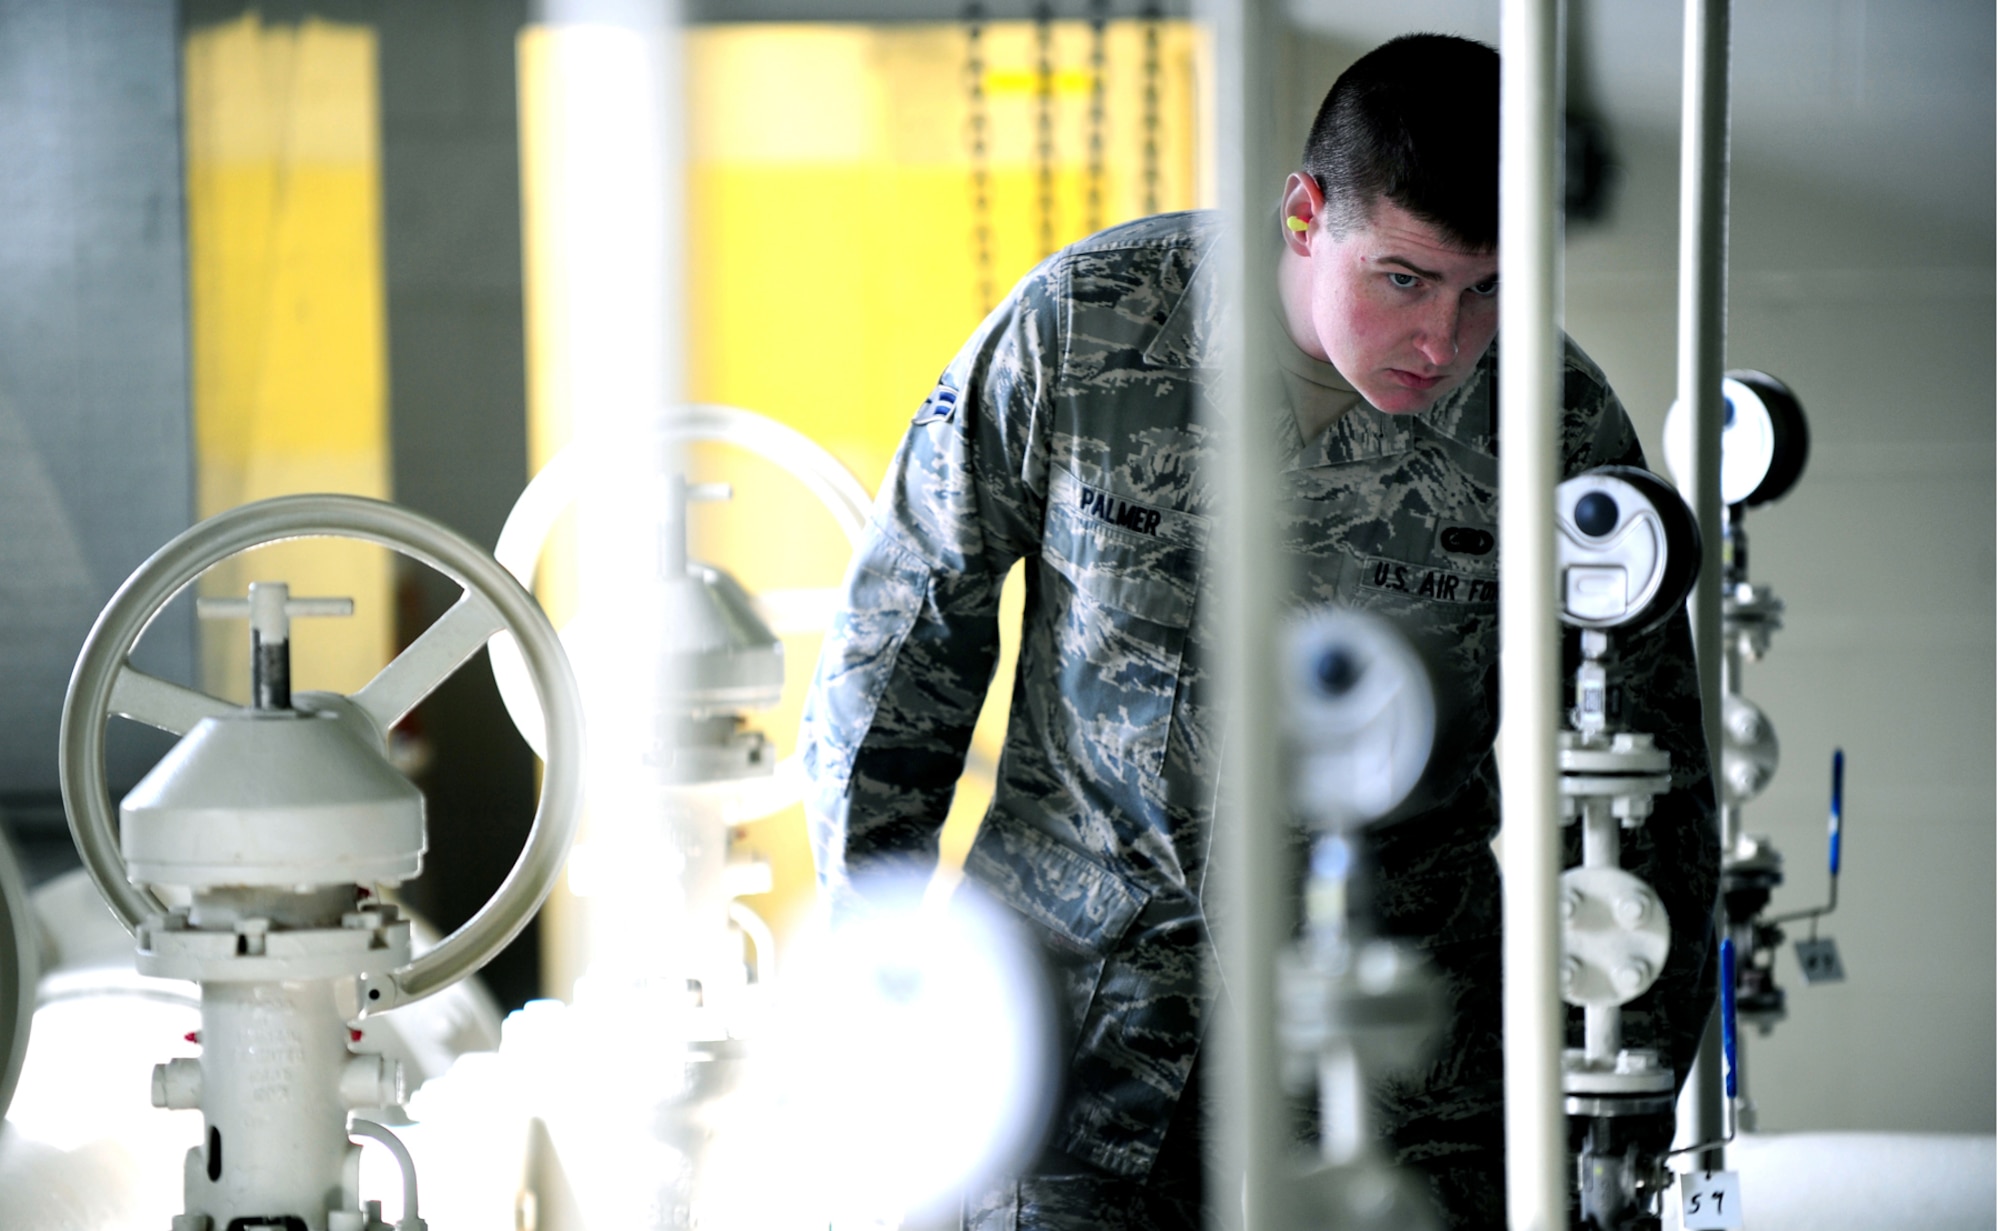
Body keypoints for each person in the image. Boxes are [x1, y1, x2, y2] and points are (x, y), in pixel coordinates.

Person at [800, 33, 1717, 1231]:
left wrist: (1615, 1116)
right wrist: (888, 991)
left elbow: (1640, 778)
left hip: (1391, 1036)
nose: (1443, 339)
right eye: (1402, 277)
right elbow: (895, 663)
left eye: (1486, 288)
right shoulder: (1085, 330)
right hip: (1077, 1009)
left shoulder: (1549, 424)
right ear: (1302, 215)